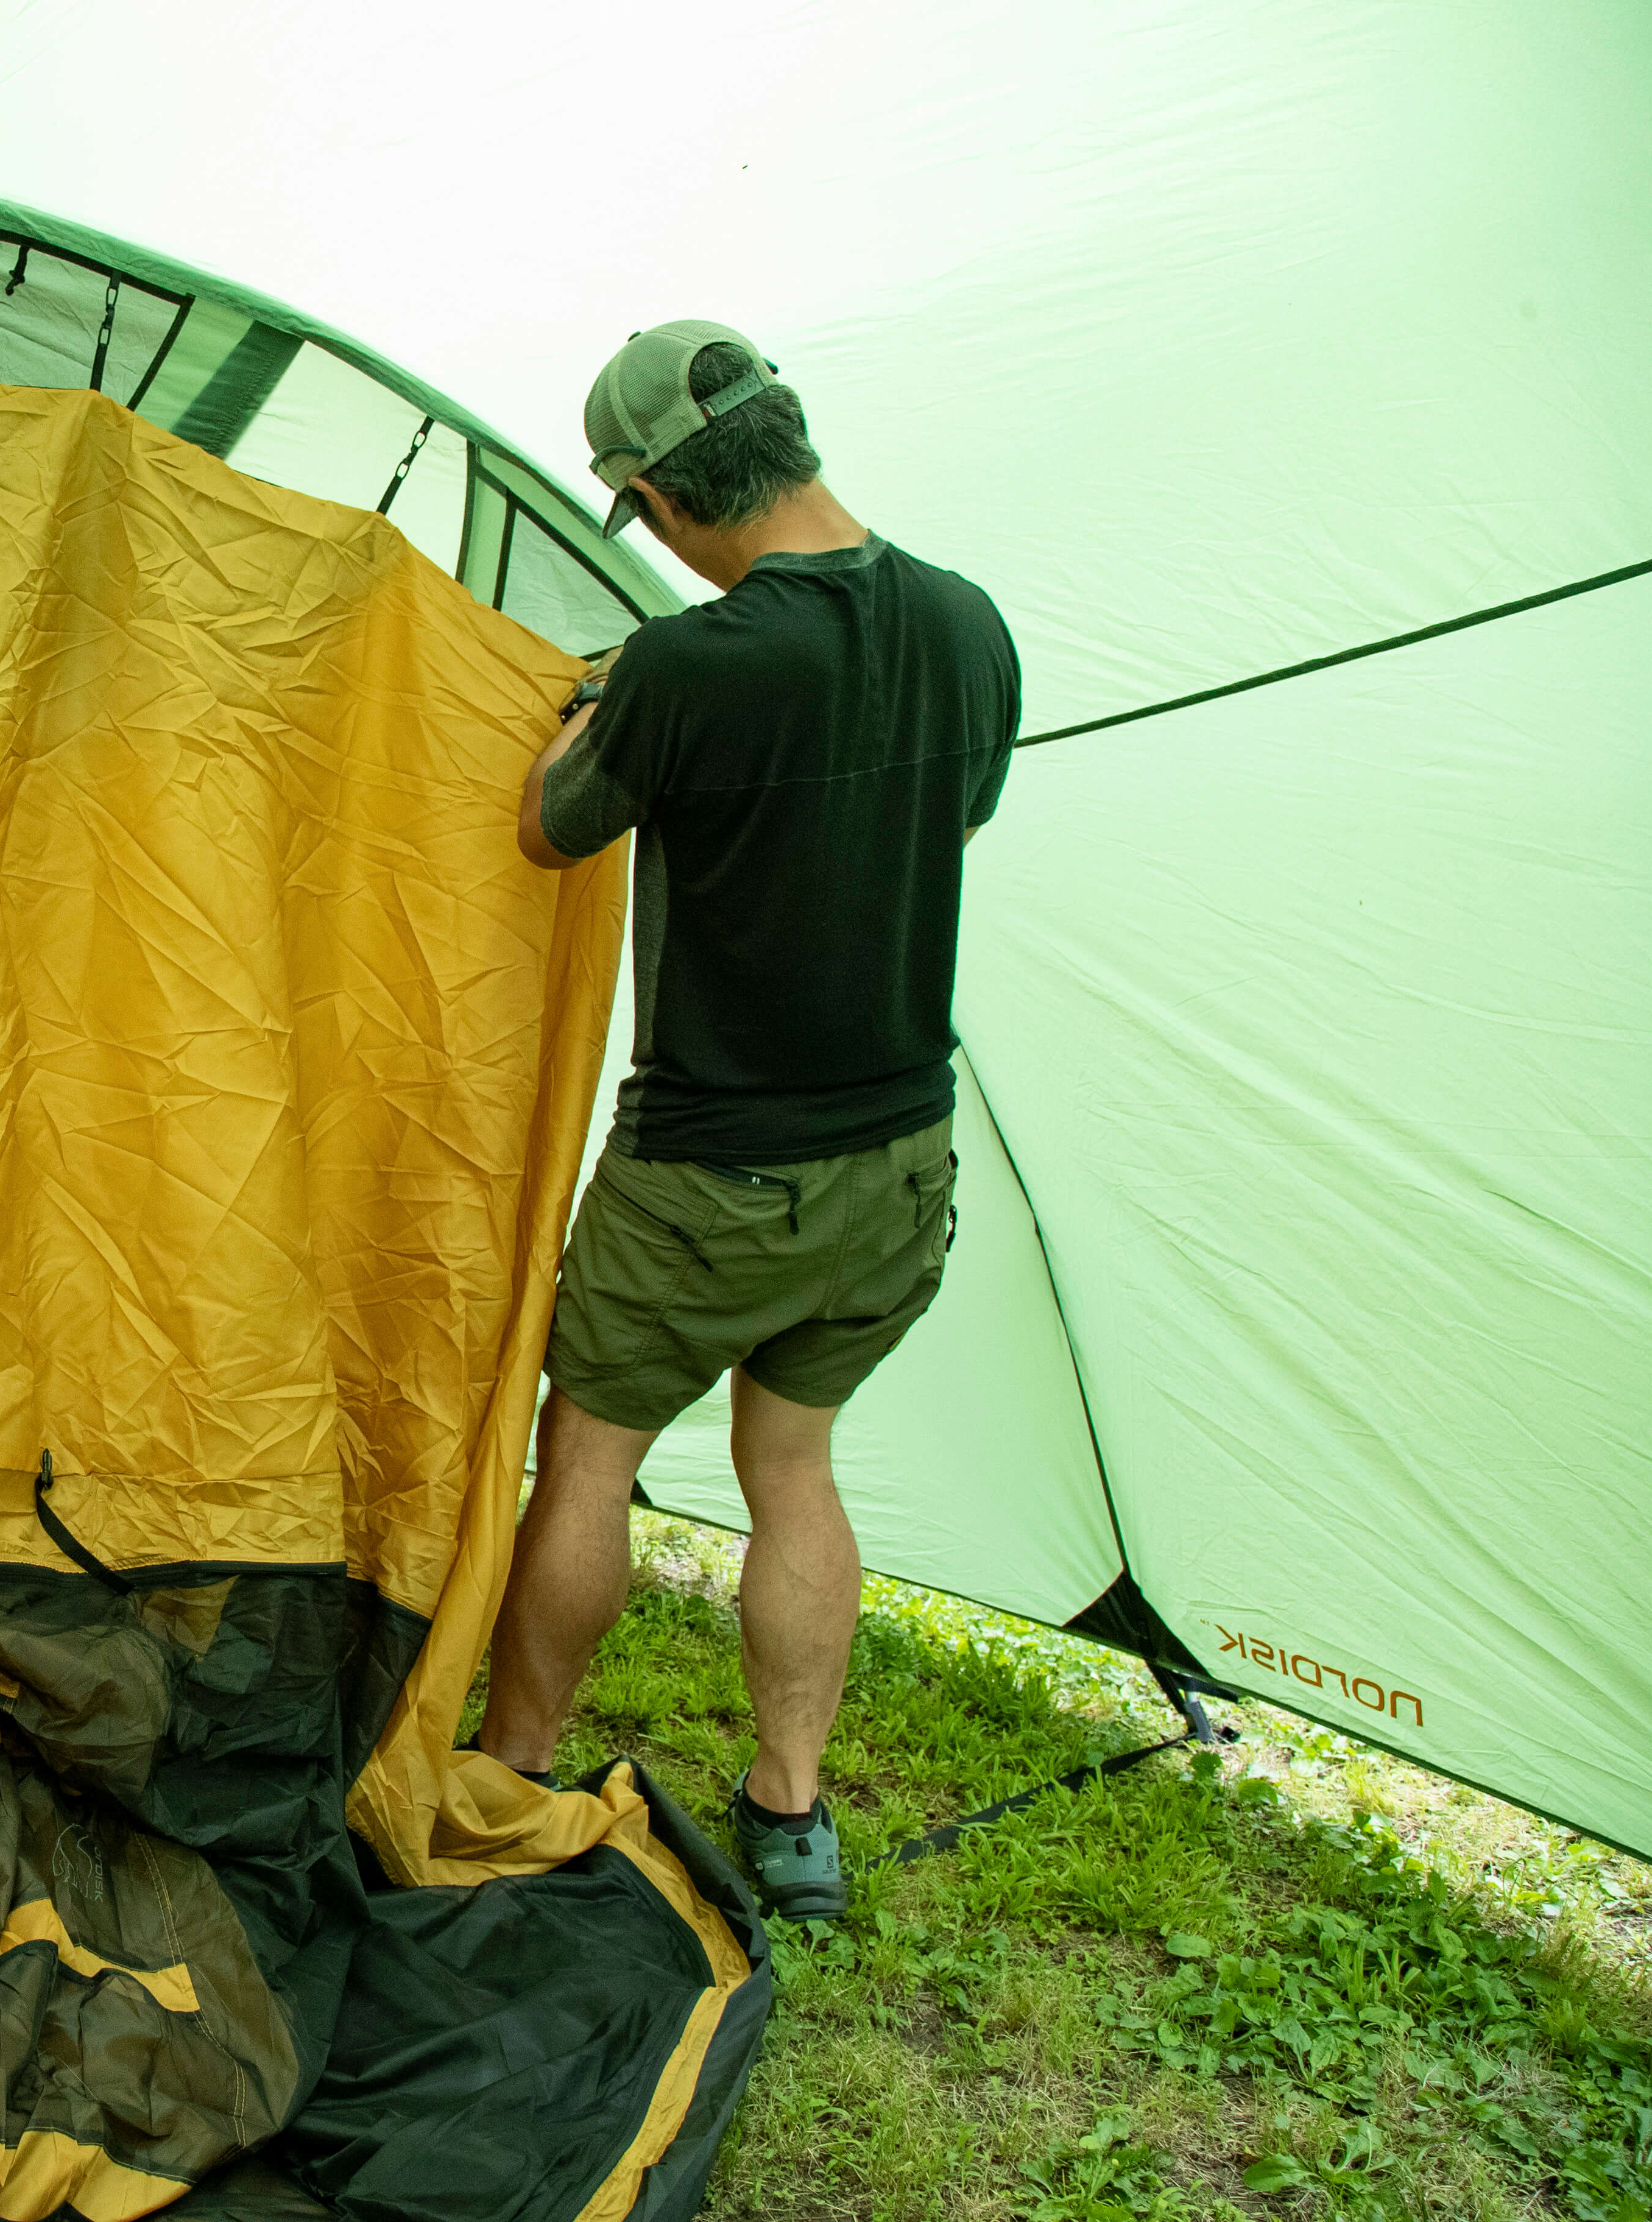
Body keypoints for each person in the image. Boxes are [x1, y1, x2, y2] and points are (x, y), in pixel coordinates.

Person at [484, 321, 1019, 1919]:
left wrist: (598, 716)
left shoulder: (688, 666)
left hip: (707, 1177)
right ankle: (793, 1821)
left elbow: (547, 830)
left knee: (585, 1466)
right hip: (896, 1169)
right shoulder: (967, 624)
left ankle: (507, 1773)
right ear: (790, 434)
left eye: (642, 519)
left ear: (661, 495)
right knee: (794, 1471)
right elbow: (955, 804)